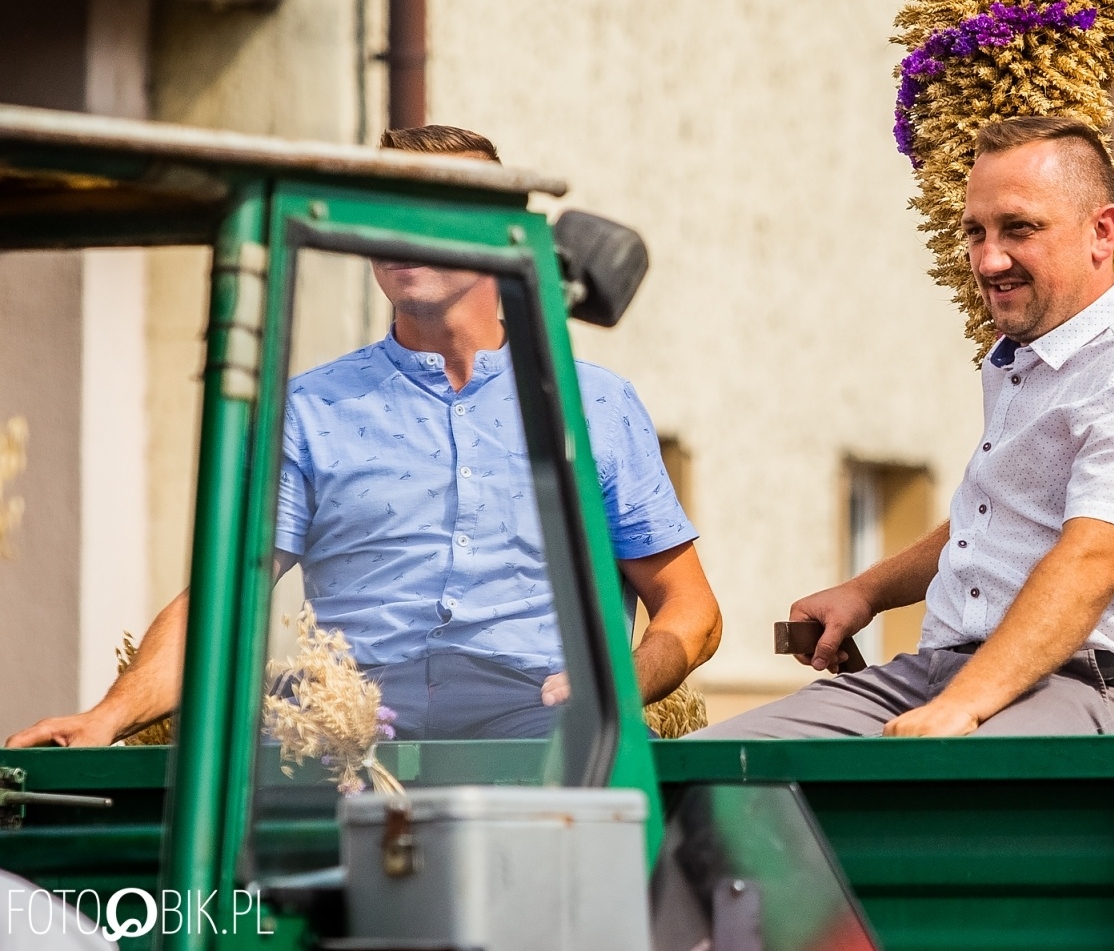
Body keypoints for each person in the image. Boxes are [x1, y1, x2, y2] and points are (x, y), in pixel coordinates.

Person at [6, 125, 721, 746]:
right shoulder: (312, 408)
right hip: (357, 734)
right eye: (380, 208)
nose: (396, 229)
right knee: (264, 756)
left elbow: (691, 610)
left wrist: (619, 683)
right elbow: (221, 602)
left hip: (543, 719)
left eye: (428, 208)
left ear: (500, 232)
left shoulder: (593, 402)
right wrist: (106, 715)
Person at [695, 116, 1114, 739]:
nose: (989, 258)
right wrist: (866, 593)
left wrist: (967, 706)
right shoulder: (1021, 358)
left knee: (933, 787)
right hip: (941, 673)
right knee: (704, 770)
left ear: (1102, 232)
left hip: (1095, 691)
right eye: (974, 232)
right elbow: (990, 523)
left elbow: (1092, 559)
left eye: (1019, 229)